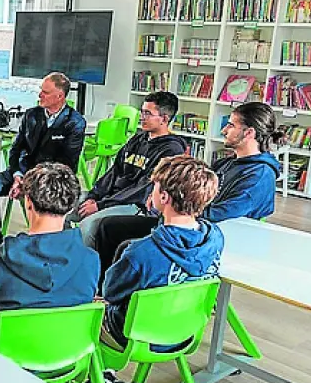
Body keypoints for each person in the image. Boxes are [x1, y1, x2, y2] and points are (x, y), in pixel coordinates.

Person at [90, 102, 284, 279]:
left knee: (127, 246)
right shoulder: (227, 162)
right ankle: (103, 291)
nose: (224, 130)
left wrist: (174, 208)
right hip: (187, 225)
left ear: (249, 133)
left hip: (206, 236)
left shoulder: (259, 175)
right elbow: (193, 187)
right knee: (108, 227)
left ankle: (117, 298)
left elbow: (225, 214)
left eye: (231, 125)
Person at [100, 155, 223, 383]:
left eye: (155, 187)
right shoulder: (215, 238)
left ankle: (99, 381)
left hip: (134, 337)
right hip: (182, 332)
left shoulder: (141, 252)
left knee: (84, 310)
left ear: (164, 197)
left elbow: (110, 291)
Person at [0, 163, 99, 346]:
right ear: (70, 208)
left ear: (28, 202)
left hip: (6, 353)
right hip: (65, 354)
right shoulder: (91, 259)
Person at [0, 72, 87, 255]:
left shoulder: (75, 122)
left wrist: (30, 182)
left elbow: (66, 163)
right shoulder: (31, 115)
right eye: (41, 90)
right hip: (23, 172)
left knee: (45, 199)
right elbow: (16, 149)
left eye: (45, 92)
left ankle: (47, 242)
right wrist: (17, 176)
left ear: (60, 96)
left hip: (50, 178)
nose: (40, 95)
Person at [66, 91, 187, 247]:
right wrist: (94, 195)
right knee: (63, 208)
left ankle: (88, 268)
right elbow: (114, 171)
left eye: (148, 113)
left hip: (134, 205)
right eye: (142, 112)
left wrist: (101, 206)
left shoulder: (171, 150)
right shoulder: (138, 139)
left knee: (88, 227)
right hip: (111, 198)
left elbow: (142, 189)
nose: (142, 117)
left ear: (164, 119)